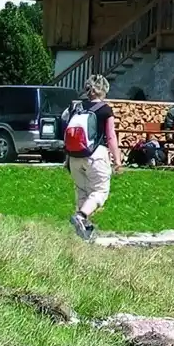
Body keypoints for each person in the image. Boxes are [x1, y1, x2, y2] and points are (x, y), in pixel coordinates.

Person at [63, 75, 120, 239]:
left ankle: (84, 232)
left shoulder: (77, 108)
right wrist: (117, 160)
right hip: (96, 155)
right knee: (99, 191)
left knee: (82, 192)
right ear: (104, 90)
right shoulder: (105, 110)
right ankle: (81, 217)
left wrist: (67, 159)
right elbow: (110, 137)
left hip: (74, 157)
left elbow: (69, 134)